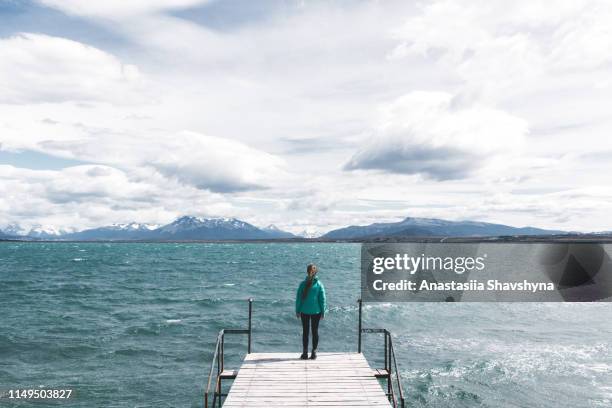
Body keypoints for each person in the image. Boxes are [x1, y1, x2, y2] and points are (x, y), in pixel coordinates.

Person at [295, 263, 326, 360]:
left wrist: (297, 310)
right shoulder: (319, 284)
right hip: (316, 311)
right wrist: (323, 311)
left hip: (304, 311)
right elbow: (322, 299)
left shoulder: (302, 284)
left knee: (305, 331)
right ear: (315, 272)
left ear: (307, 271)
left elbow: (299, 299)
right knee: (315, 331)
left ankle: (305, 353)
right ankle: (314, 353)